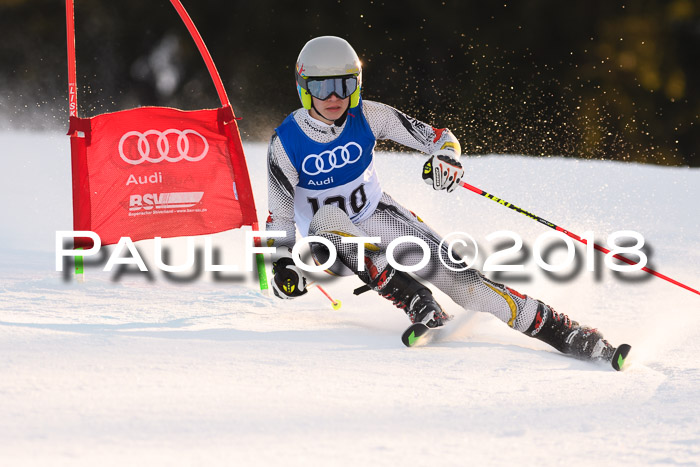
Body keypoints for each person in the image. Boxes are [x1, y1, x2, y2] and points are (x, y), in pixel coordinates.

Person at [266, 35, 618, 363]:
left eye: (344, 85)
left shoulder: (370, 116)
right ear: (304, 88)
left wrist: (446, 157)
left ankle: (569, 333)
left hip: (379, 217)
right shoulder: (287, 142)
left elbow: (439, 137)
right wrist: (282, 264)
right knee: (329, 219)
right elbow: (279, 219)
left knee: (468, 285)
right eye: (322, 87)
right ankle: (418, 301)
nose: (334, 97)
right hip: (326, 246)